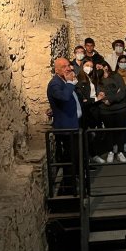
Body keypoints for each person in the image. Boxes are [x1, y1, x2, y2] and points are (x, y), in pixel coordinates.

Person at [47, 57, 81, 193]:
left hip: (73, 125)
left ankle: (75, 182)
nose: (68, 68)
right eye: (63, 67)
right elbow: (64, 97)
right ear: (56, 70)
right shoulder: (55, 84)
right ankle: (70, 188)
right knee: (70, 159)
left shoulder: (64, 81)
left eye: (68, 65)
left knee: (75, 157)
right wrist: (70, 83)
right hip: (66, 129)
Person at [74, 60, 106, 164]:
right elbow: (84, 100)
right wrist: (97, 99)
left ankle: (93, 155)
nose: (90, 68)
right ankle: (88, 158)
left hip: (93, 109)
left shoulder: (90, 78)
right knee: (88, 135)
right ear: (83, 66)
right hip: (87, 111)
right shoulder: (80, 80)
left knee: (93, 135)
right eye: (87, 65)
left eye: (92, 66)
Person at [96, 63, 126, 163]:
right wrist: (113, 94)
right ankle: (110, 151)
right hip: (105, 110)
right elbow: (99, 93)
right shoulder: (97, 79)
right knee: (109, 131)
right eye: (97, 67)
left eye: (101, 66)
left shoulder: (116, 76)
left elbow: (122, 91)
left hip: (120, 109)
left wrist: (110, 99)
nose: (100, 68)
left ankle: (120, 152)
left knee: (120, 131)